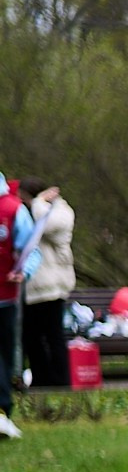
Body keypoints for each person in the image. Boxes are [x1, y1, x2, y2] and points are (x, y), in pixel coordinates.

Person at [19, 183, 73, 387]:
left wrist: (39, 202)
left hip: (51, 285)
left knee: (53, 335)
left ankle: (60, 381)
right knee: (31, 336)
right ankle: (41, 378)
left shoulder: (60, 211)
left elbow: (47, 225)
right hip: (33, 286)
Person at [0, 170, 24, 436]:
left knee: (4, 355)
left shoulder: (13, 209)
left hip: (5, 296)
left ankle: (2, 411)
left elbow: (30, 248)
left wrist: (23, 269)